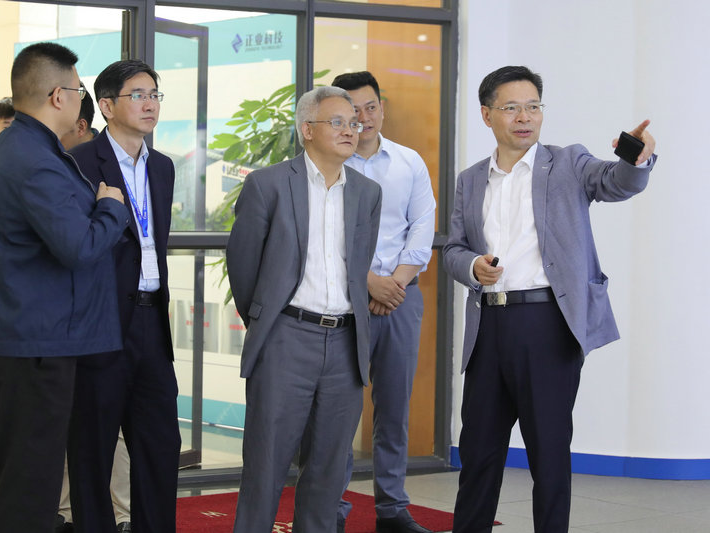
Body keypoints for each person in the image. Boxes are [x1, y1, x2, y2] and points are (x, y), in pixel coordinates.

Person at [442, 65, 657, 533]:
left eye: (533, 106)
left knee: (549, 451)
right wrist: (472, 266)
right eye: (512, 107)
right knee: (478, 451)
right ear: (487, 115)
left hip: (547, 324)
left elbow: (616, 181)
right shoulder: (470, 179)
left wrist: (635, 158)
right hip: (488, 326)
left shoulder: (568, 163)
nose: (525, 117)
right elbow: (453, 248)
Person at [0, 42, 129, 533]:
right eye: (79, 90)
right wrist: (111, 206)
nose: (81, 100)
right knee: (29, 490)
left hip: (13, 340)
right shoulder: (35, 159)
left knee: (5, 482)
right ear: (59, 95)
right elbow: (78, 246)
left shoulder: (14, 147)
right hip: (35, 347)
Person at [227, 85, 382, 533]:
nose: (350, 130)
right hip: (287, 337)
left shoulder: (367, 193)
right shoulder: (268, 184)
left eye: (354, 123)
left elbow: (359, 266)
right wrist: (269, 322)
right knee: (266, 464)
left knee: (329, 470)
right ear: (307, 130)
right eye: (338, 122)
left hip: (346, 342)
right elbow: (243, 266)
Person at [68, 59, 180, 533]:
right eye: (138, 94)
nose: (150, 103)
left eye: (154, 94)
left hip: (152, 321)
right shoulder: (79, 163)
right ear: (108, 106)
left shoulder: (163, 167)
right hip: (101, 325)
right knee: (92, 449)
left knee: (160, 445)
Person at [331, 71, 436, 533]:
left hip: (401, 299)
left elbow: (423, 226)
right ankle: (331, 508)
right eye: (352, 110)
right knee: (339, 410)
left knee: (393, 408)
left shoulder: (409, 162)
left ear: (382, 108)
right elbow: (327, 236)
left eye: (370, 107)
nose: (363, 117)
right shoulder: (330, 162)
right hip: (344, 301)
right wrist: (367, 281)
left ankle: (392, 508)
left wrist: (395, 284)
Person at [56, 86, 133, 533]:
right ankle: (69, 512)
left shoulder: (151, 167)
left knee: (111, 427)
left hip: (119, 317)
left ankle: (123, 514)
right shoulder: (67, 168)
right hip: (75, 323)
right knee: (82, 427)